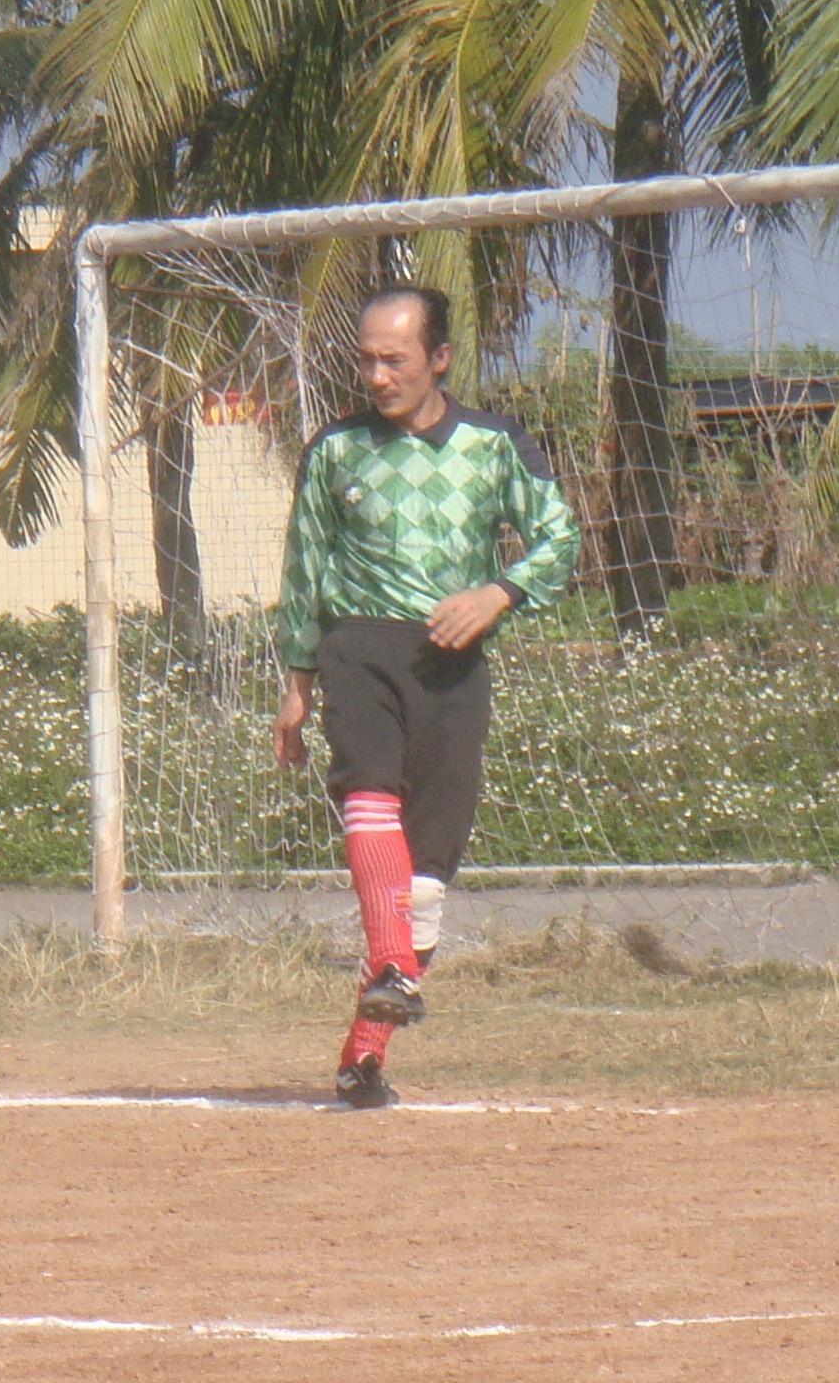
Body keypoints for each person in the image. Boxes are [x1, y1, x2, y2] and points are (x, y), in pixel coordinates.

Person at [272, 284, 580, 1108]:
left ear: (439, 358)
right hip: (358, 649)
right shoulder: (335, 450)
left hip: (451, 666)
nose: (377, 376)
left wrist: (498, 594)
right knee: (366, 788)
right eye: (366, 360)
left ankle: (364, 1055)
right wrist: (296, 685)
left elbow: (560, 537)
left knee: (428, 882)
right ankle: (389, 964)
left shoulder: (494, 445)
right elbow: (303, 568)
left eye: (395, 359)